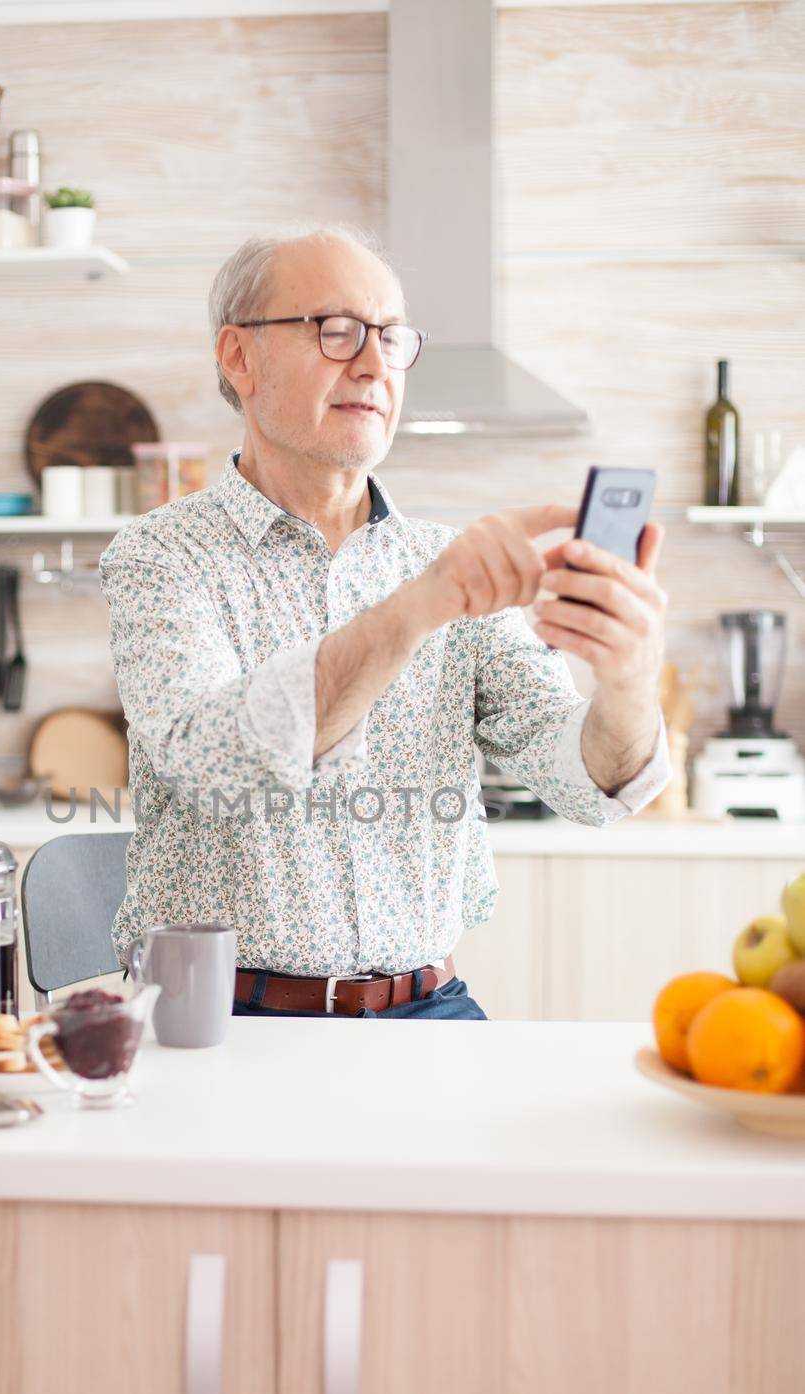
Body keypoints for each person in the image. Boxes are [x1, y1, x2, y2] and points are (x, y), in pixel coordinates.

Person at [100, 223, 669, 1020]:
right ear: (239, 355)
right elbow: (212, 767)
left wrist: (628, 678)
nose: (372, 364)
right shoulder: (162, 556)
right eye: (335, 332)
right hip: (224, 1016)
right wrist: (417, 607)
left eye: (392, 338)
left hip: (429, 1009)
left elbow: (583, 784)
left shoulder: (444, 564)